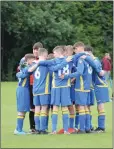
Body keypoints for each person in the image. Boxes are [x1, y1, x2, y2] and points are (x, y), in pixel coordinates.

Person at [60, 42, 93, 134]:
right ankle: (87, 128)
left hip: (81, 86)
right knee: (85, 107)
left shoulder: (81, 59)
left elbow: (79, 73)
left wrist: (67, 76)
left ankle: (82, 129)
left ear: (79, 47)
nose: (74, 51)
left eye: (75, 49)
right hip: (87, 86)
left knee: (81, 107)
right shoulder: (88, 58)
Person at [81, 46, 110, 132]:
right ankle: (89, 126)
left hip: (100, 85)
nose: (84, 56)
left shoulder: (95, 60)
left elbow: (99, 72)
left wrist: (86, 58)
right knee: (93, 106)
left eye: (85, 54)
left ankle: (101, 127)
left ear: (89, 52)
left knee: (100, 106)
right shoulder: (91, 60)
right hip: (95, 86)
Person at [14, 54, 35, 135]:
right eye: (32, 60)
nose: (32, 62)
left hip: (22, 90)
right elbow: (29, 71)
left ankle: (18, 128)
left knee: (23, 110)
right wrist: (38, 63)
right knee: (22, 110)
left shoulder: (21, 70)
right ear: (28, 61)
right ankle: (18, 130)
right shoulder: (26, 69)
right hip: (23, 90)